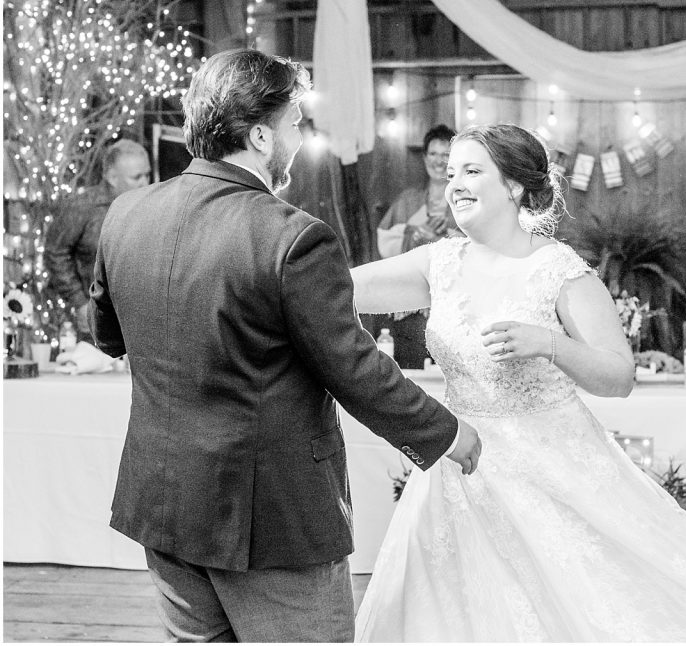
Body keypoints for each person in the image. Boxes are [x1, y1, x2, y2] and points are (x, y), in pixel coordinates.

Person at [350, 123, 686, 642]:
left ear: (515, 187)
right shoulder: (438, 262)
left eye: (472, 171)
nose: (455, 184)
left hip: (550, 466)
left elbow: (619, 376)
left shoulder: (557, 270)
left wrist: (550, 344)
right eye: (452, 173)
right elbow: (335, 288)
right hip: (458, 465)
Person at [89, 49, 482, 642]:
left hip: (164, 502)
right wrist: (447, 433)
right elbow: (355, 371)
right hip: (270, 517)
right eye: (294, 122)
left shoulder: (126, 215)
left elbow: (108, 335)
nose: (300, 136)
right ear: (259, 135)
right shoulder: (292, 237)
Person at [375, 124, 461, 369]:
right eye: (433, 154)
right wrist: (413, 235)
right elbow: (385, 242)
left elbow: (481, 247)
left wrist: (446, 236)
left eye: (446, 155)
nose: (439, 161)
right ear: (424, 158)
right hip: (410, 309)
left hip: (452, 309)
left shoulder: (466, 201)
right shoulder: (408, 200)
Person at [44, 138, 151, 333]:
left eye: (147, 175)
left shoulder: (151, 206)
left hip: (137, 320)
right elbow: (55, 251)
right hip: (92, 320)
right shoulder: (83, 206)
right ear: (112, 177)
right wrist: (79, 301)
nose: (146, 182)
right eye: (137, 177)